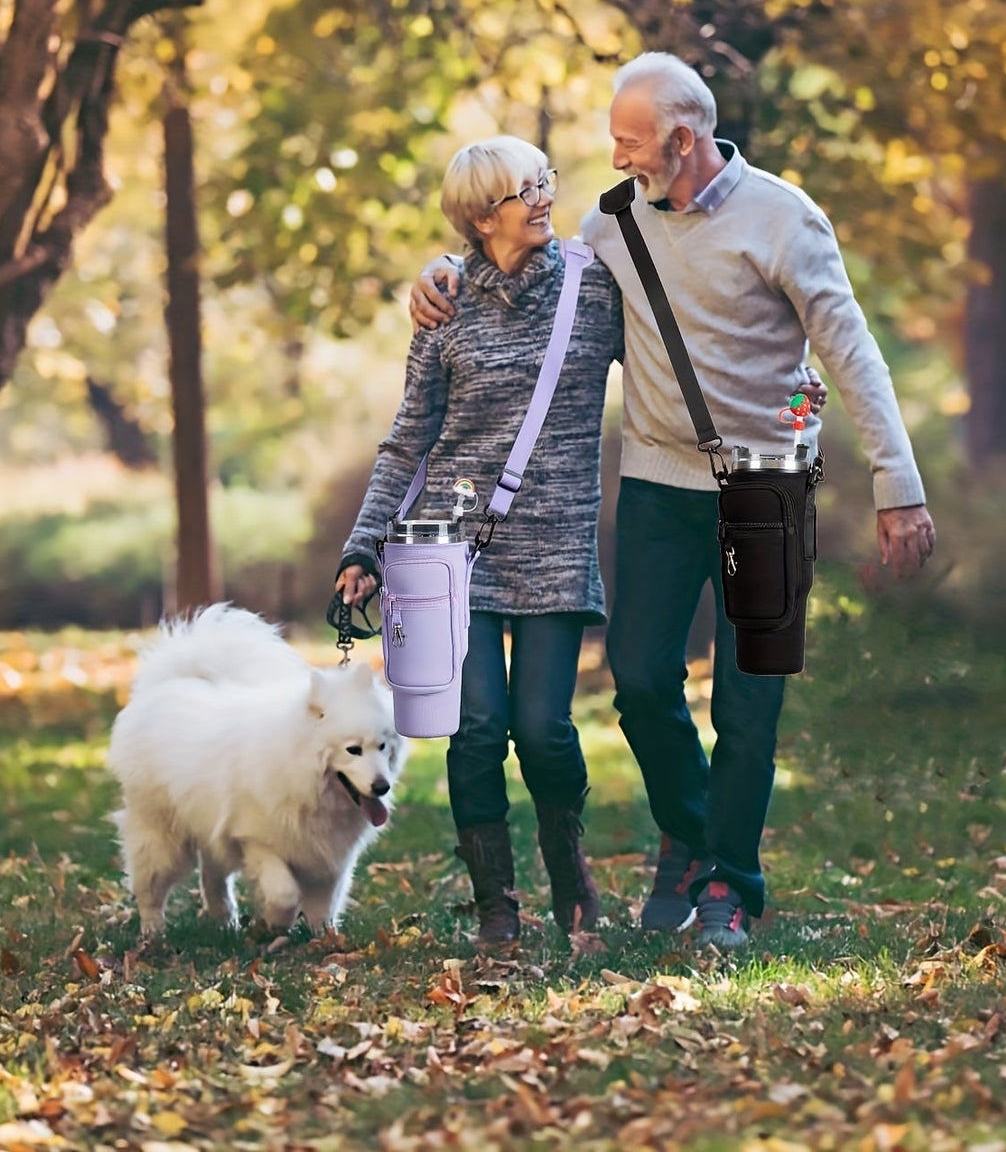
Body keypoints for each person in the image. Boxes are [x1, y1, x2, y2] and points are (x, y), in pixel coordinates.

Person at [409, 52, 935, 951]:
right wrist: (438, 274)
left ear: (682, 140)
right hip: (657, 483)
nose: (615, 157)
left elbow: (851, 354)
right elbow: (523, 281)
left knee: (747, 703)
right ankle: (692, 836)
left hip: (766, 490)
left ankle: (728, 880)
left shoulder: (785, 219)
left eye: (630, 141)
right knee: (643, 679)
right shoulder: (610, 226)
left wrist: (899, 487)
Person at [337, 136, 624, 946]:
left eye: (543, 181)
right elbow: (408, 439)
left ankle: (567, 863)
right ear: (478, 217)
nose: (542, 198)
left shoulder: (594, 287)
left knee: (543, 729)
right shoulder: (446, 305)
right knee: (474, 730)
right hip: (449, 552)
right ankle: (496, 903)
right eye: (521, 191)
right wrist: (363, 546)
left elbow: (672, 361)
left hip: (555, 544)